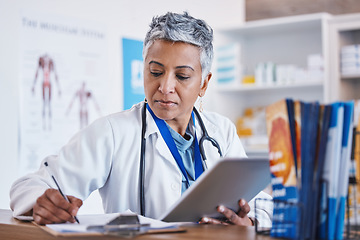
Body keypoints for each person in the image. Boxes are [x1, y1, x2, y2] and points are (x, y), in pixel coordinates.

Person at [10, 12, 272, 227]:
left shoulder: (221, 132)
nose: (165, 86)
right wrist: (41, 202)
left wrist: (248, 221)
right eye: (155, 71)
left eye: (182, 76)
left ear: (204, 83)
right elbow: (29, 186)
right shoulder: (113, 132)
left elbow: (261, 203)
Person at [31, 54, 61, 131]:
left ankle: (50, 124)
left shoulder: (51, 64)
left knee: (49, 104)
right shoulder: (42, 64)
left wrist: (58, 88)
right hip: (44, 83)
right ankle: (44, 124)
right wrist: (33, 85)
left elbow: (55, 75)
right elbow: (37, 73)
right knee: (44, 104)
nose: (46, 60)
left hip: (49, 83)